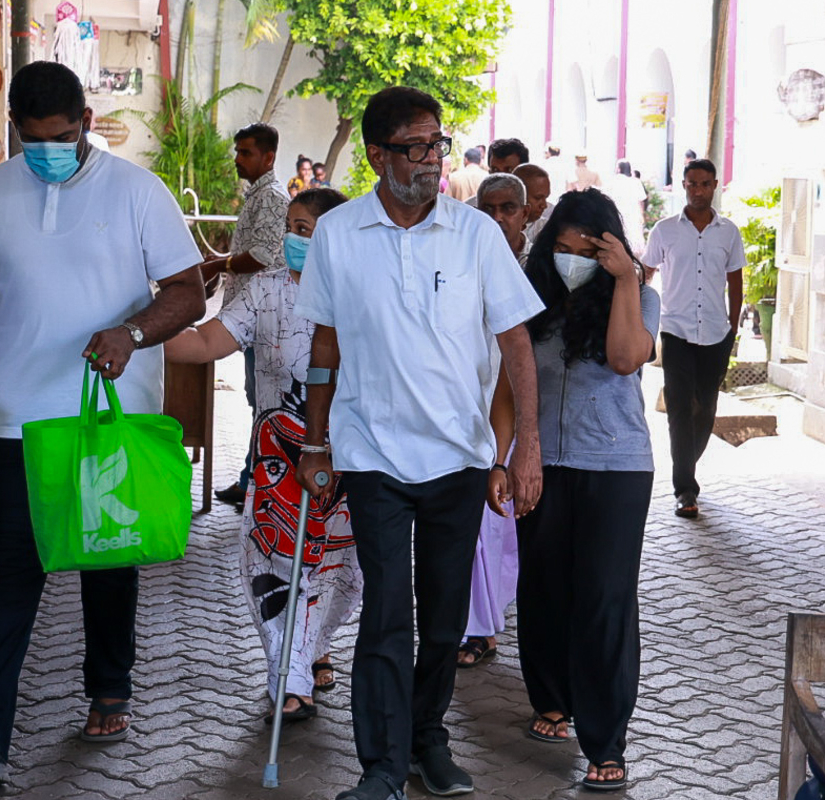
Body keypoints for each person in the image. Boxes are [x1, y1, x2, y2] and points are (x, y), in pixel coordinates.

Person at [0, 61, 206, 786]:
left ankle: (110, 685)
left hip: (107, 416)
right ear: (13, 128)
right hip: (16, 414)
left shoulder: (138, 191)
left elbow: (189, 291)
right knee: (12, 570)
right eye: (34, 139)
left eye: (64, 136)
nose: (51, 149)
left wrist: (133, 334)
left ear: (86, 120)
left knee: (108, 557)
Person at [293, 86, 545, 800]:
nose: (433, 160)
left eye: (438, 144)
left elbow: (516, 342)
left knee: (441, 618)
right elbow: (324, 343)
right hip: (371, 454)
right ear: (377, 155)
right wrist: (315, 444)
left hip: (459, 457)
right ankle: (378, 765)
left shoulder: (474, 235)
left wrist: (524, 446)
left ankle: (426, 740)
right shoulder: (340, 235)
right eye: (415, 148)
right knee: (386, 615)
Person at [164, 188, 361, 724]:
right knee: (276, 564)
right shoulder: (265, 291)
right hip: (277, 461)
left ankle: (312, 647)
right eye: (293, 227)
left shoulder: (361, 293)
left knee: (339, 569)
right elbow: (207, 344)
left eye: (309, 230)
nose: (296, 239)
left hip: (348, 459)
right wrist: (141, 338)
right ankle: (290, 679)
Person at [504, 187, 659, 793]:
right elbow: (507, 382)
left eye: (586, 252)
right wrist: (511, 454)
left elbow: (625, 359)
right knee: (542, 585)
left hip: (616, 466)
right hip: (542, 461)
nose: (572, 261)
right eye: (563, 249)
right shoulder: (531, 294)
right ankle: (553, 700)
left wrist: (623, 281)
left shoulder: (639, 295)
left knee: (603, 596)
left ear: (609, 250)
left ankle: (606, 738)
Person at [456, 172, 531, 671]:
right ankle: (476, 628)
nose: (499, 218)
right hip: (464, 415)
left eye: (509, 209)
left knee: (498, 531)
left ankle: (486, 623)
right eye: (489, 208)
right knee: (473, 532)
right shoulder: (463, 261)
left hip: (509, 417)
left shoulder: (537, 268)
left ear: (526, 215)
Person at [642, 158, 745, 519]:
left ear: (714, 185)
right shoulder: (665, 230)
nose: (697, 190)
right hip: (677, 331)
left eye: (703, 184)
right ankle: (685, 487)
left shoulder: (729, 232)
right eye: (691, 184)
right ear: (683, 185)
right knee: (680, 408)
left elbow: (735, 282)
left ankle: (686, 460)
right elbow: (646, 274)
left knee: (706, 408)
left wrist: (732, 328)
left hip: (716, 333)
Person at [198, 123, 290, 509]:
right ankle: (251, 478)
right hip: (252, 318)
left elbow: (263, 256)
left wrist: (219, 264)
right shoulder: (258, 195)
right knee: (259, 401)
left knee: (266, 402)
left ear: (268, 157)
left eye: (246, 153)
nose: (238, 159)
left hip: (265, 317)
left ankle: (260, 482)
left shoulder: (271, 196)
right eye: (237, 151)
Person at [605, 159, 647, 256]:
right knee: (634, 241)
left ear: (619, 169)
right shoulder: (636, 182)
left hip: (617, 214)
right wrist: (642, 215)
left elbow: (605, 197)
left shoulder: (613, 181)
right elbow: (641, 201)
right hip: (634, 215)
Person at [514, 163, 553, 244]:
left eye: (545, 198)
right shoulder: (496, 224)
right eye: (538, 198)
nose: (544, 206)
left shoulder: (547, 229)